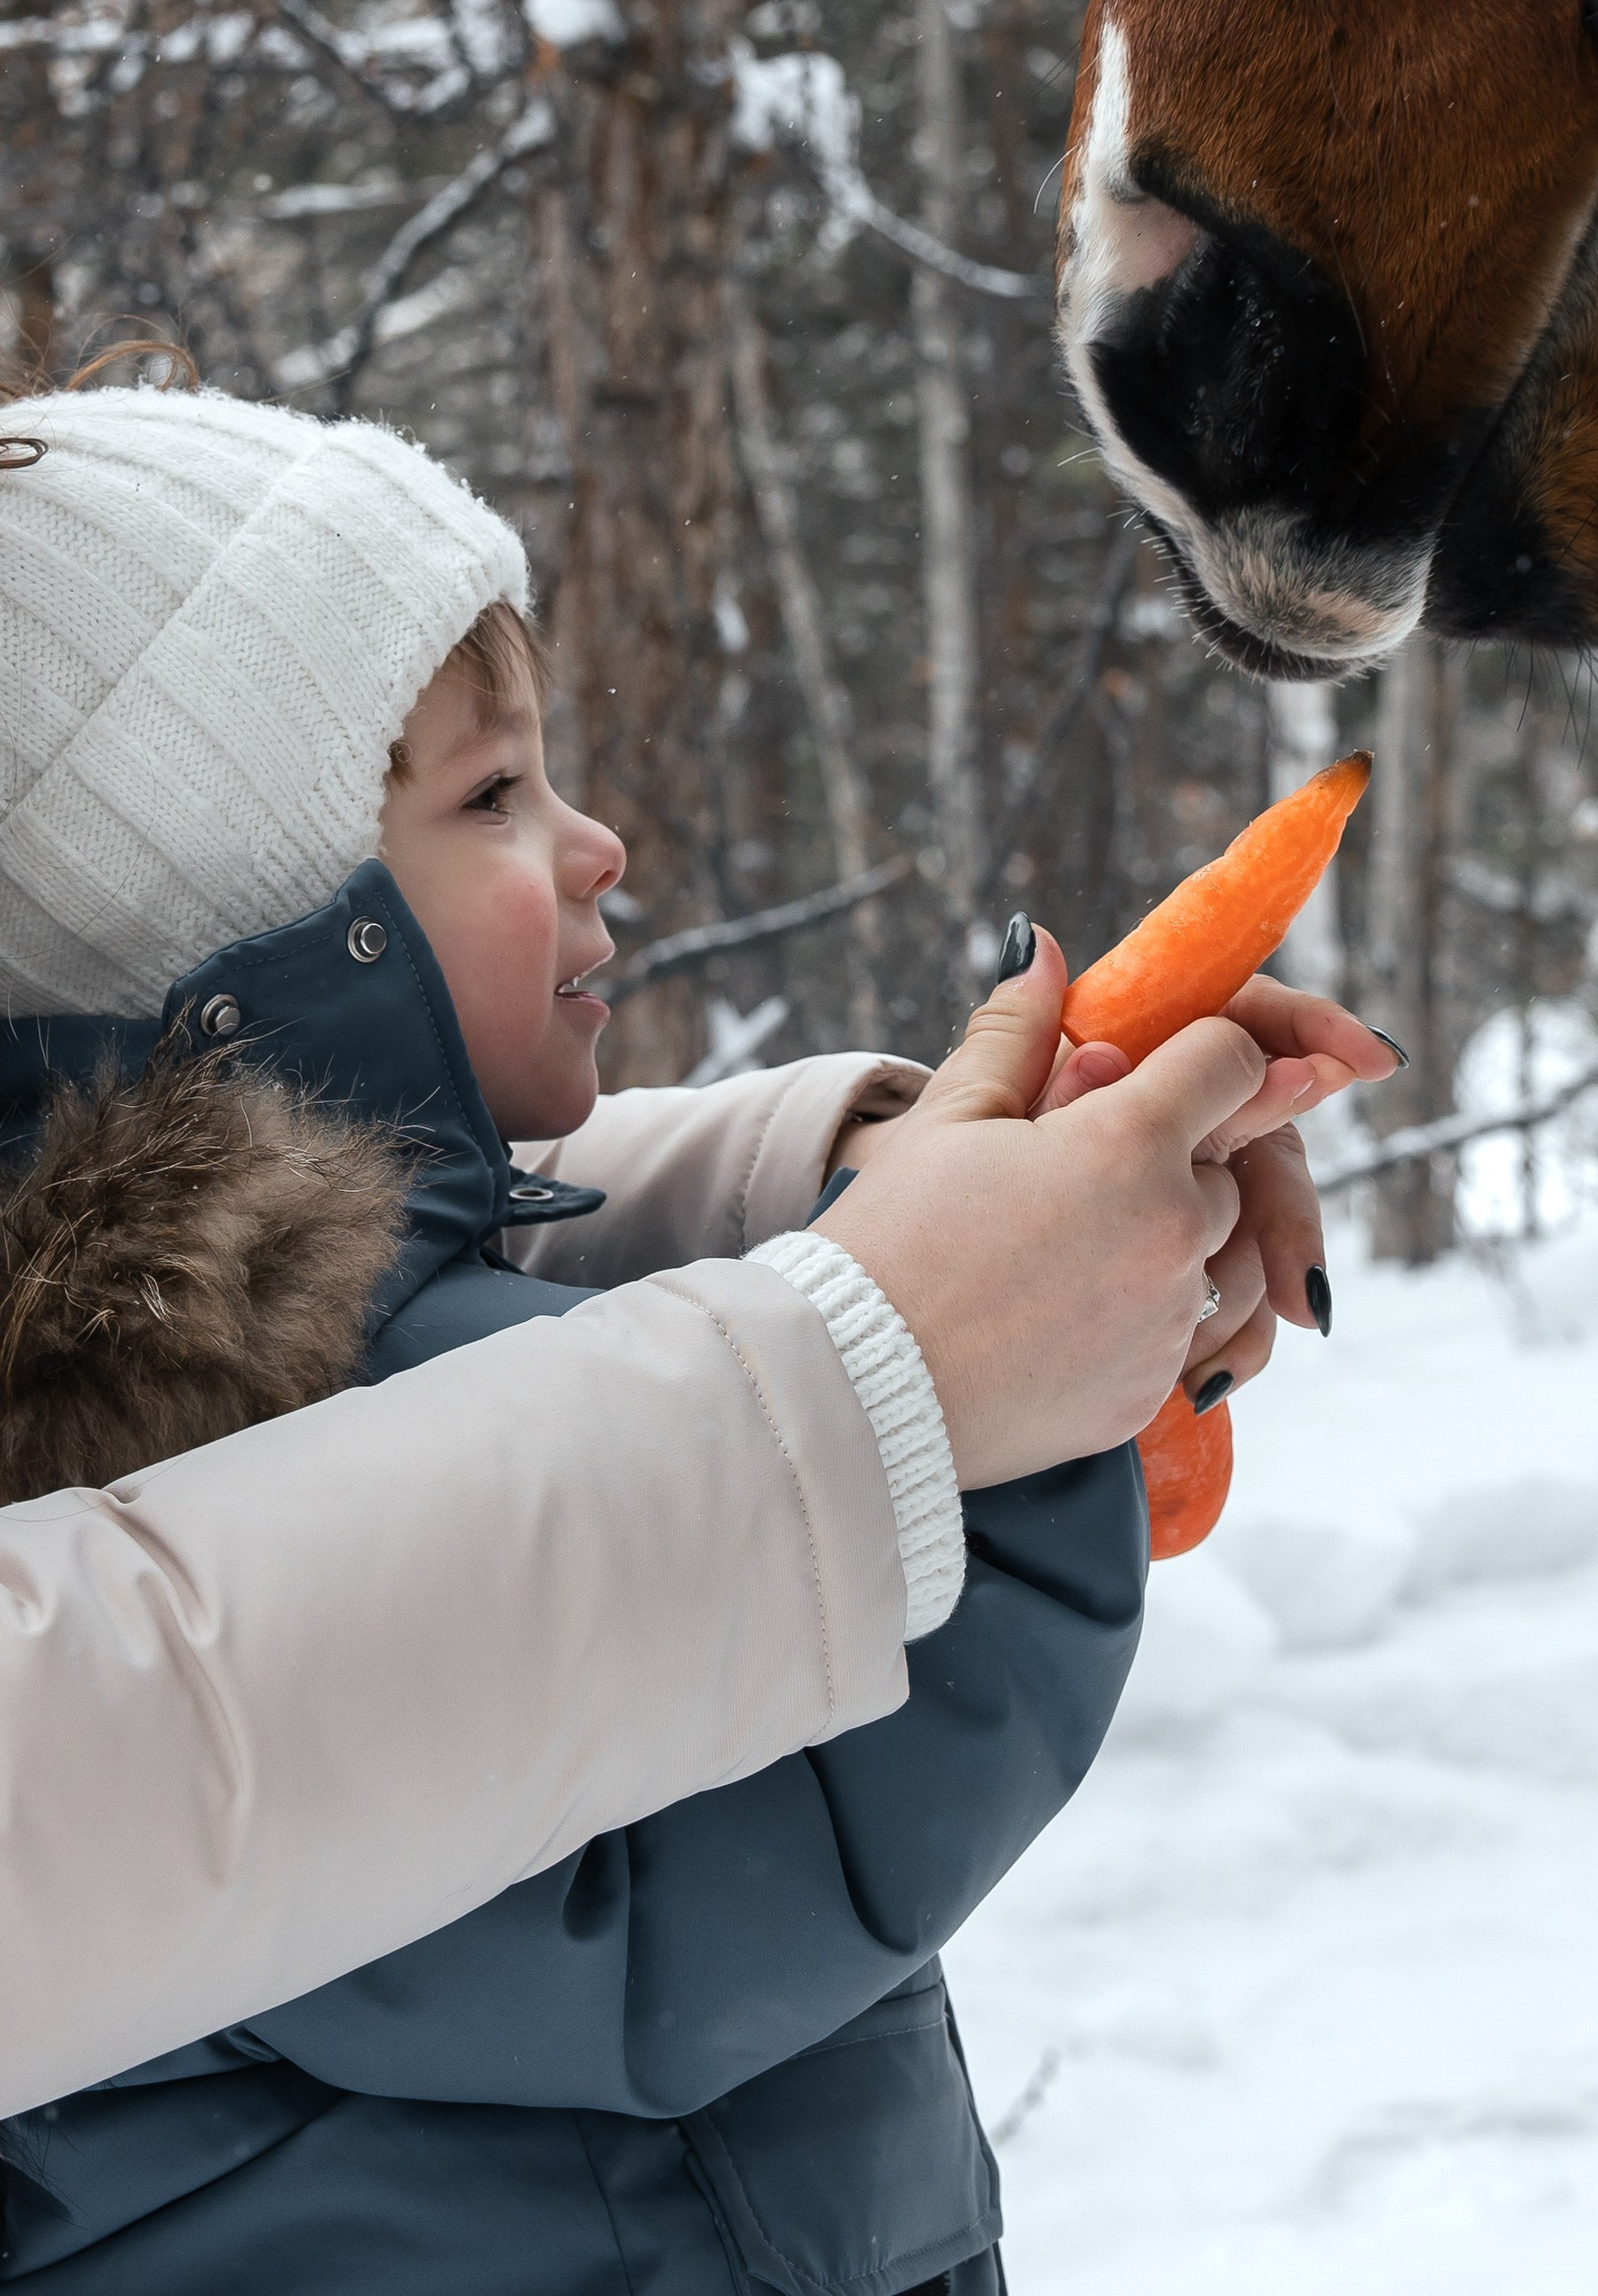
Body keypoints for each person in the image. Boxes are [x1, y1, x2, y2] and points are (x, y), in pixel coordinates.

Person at [0, 381, 1389, 2290]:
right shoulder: (297, 1422)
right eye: (492, 797)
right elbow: (775, 1846)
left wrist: (949, 1203)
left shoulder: (227, 1378)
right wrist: (982, 1405)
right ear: (235, 962)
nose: (596, 842)